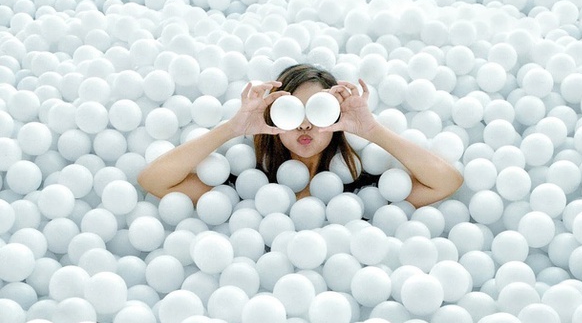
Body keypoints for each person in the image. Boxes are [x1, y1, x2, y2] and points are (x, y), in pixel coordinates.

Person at [137, 64, 463, 209]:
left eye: (318, 111)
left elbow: (446, 182)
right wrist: (232, 128)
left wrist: (372, 130)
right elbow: (154, 181)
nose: (305, 125)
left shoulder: (363, 188)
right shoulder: (246, 188)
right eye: (292, 112)